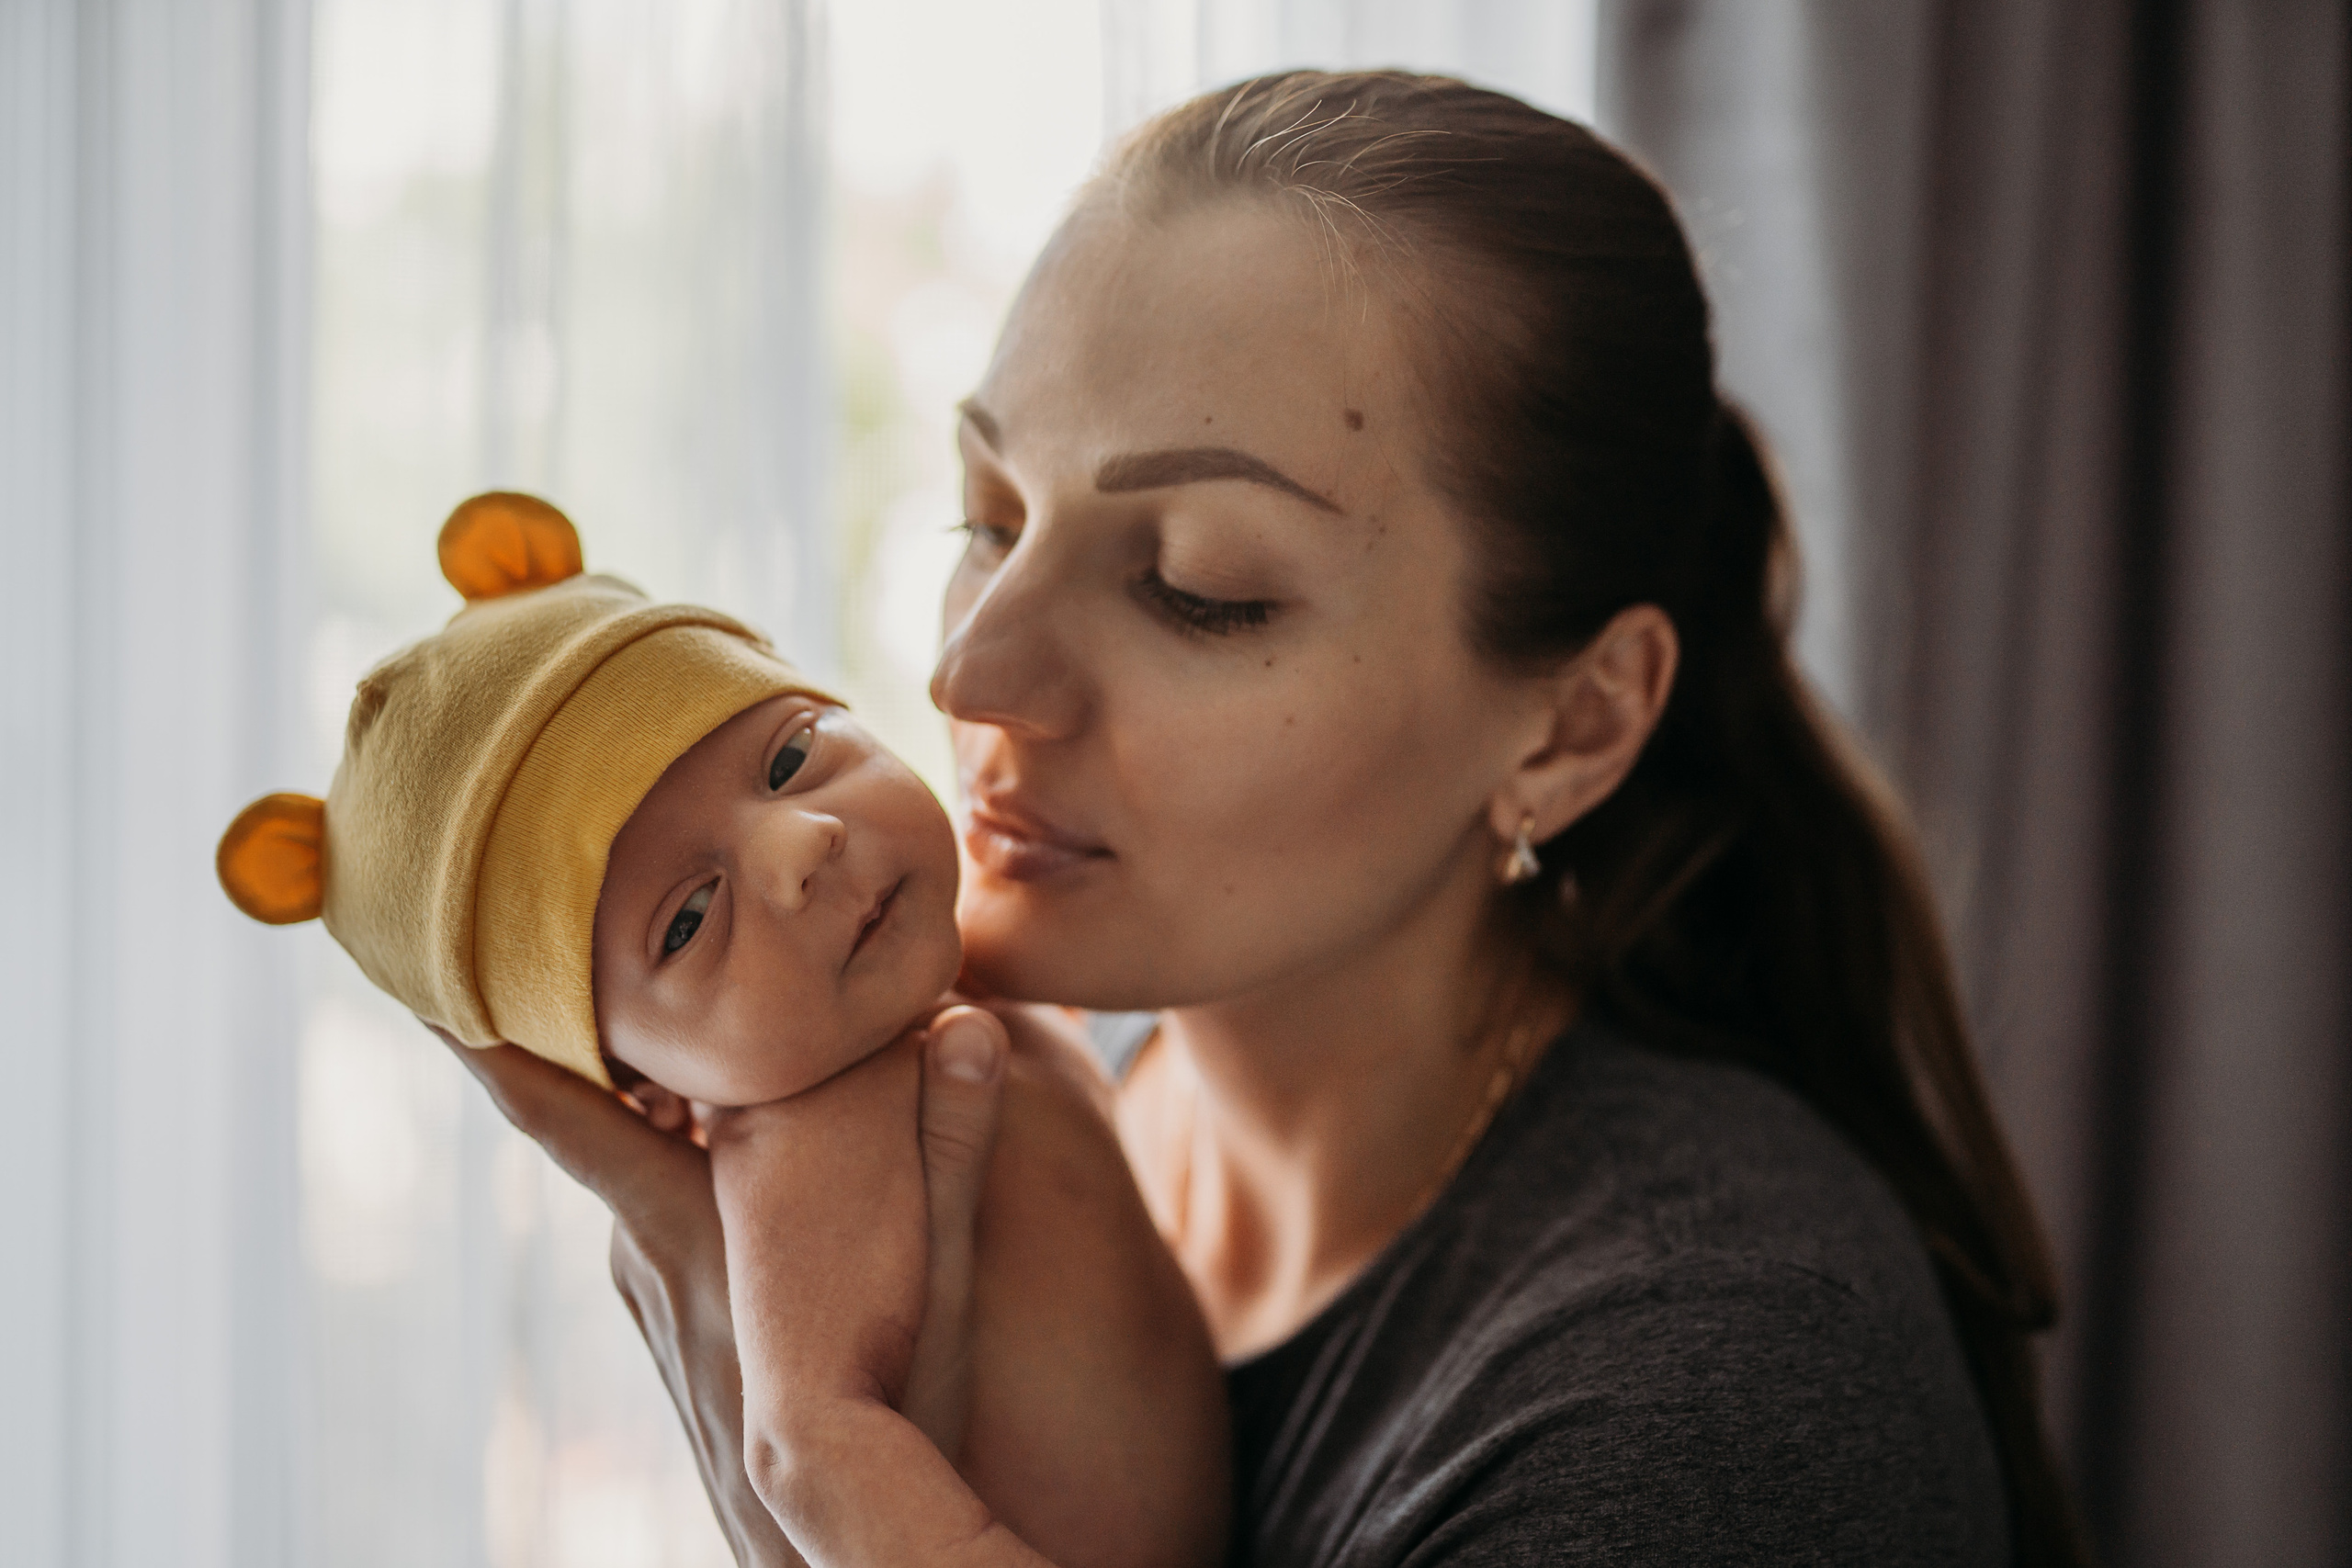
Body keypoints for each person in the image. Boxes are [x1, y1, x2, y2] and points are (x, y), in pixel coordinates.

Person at [457, 71, 2091, 1566]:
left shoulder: (1701, 1413)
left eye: (1198, 589)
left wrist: (813, 1501)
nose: (972, 667)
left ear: (1575, 724)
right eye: (990, 516)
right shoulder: (1031, 1107)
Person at [216, 494, 1228, 1568]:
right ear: (642, 1095)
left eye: (791, 758)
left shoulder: (979, 970)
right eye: (689, 920)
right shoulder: (809, 1139)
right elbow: (805, 1450)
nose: (802, 841)